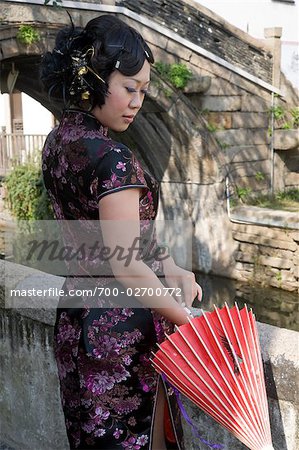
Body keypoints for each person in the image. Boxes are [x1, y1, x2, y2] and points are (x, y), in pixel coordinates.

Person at [41, 14, 202, 450]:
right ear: (92, 78)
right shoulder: (113, 158)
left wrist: (170, 264)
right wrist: (192, 326)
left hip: (77, 320)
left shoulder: (60, 141)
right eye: (129, 88)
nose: (136, 102)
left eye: (143, 91)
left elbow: (125, 234)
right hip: (123, 335)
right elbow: (128, 265)